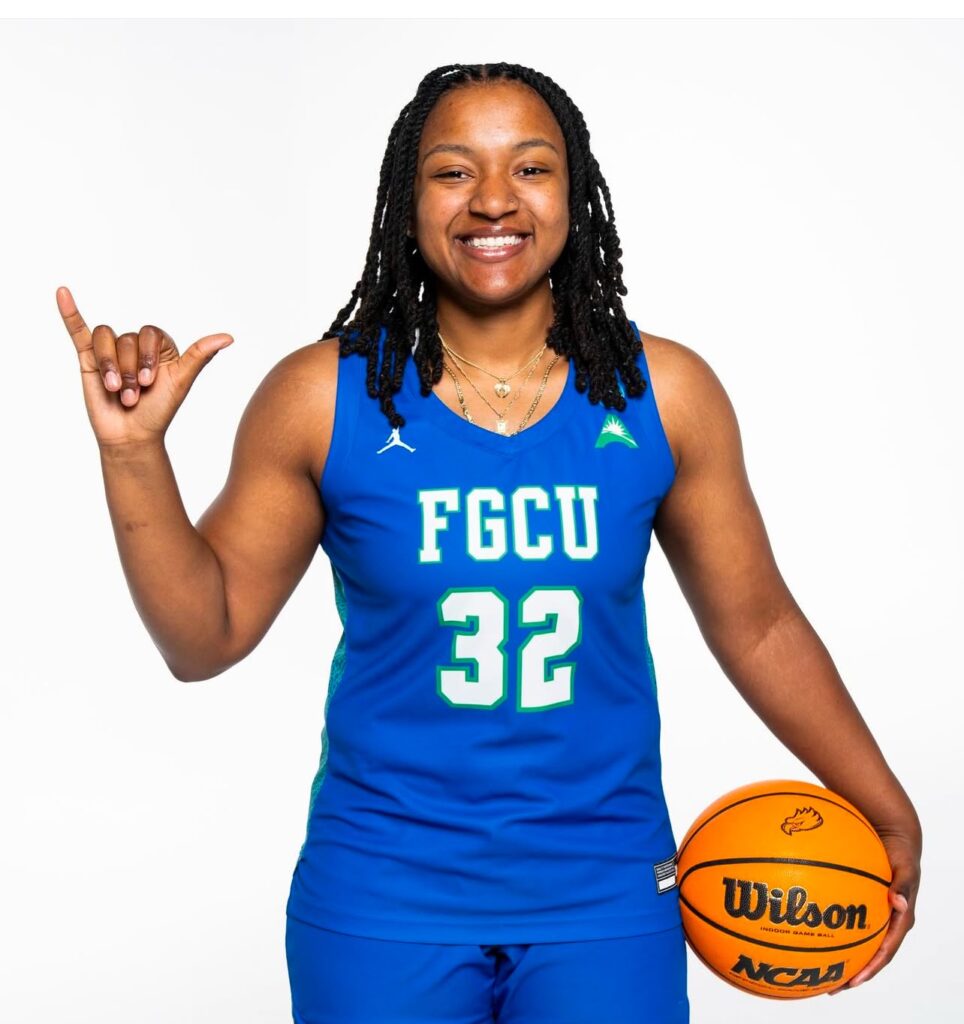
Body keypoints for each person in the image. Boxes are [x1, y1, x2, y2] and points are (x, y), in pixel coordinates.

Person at [59, 61, 921, 1023]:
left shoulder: (664, 394)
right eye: (454, 171)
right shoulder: (323, 398)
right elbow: (201, 637)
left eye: (531, 168)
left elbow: (758, 626)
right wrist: (132, 453)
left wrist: (885, 808)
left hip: (607, 895)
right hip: (383, 896)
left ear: (575, 195)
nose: (494, 200)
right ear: (407, 199)